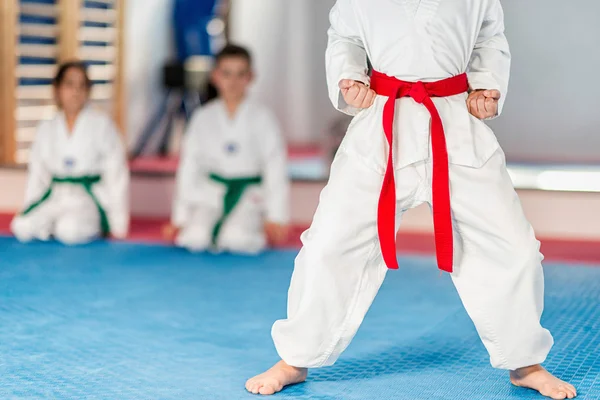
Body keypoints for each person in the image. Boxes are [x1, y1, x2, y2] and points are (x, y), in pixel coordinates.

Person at [245, 1, 577, 398]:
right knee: (328, 244)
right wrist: (350, 76)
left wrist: (486, 84)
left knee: (515, 248)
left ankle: (525, 362)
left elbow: (489, 37)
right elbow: (345, 35)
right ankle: (295, 358)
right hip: (381, 128)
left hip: (455, 124)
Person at [165, 45, 290, 254]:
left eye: (240, 74)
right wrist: (180, 217)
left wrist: (276, 216)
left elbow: (275, 166)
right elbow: (189, 167)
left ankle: (251, 227)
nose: (233, 82)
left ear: (250, 77)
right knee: (194, 237)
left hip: (248, 196)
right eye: (226, 74)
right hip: (210, 194)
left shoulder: (263, 118)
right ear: (215, 76)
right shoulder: (202, 117)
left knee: (237, 239)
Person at [11, 61, 129, 245]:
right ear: (57, 89)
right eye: (70, 84)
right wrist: (30, 205)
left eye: (82, 85)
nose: (76, 91)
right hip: (57, 194)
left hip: (86, 198)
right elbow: (37, 174)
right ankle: (51, 225)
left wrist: (117, 222)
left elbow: (116, 173)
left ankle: (63, 226)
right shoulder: (47, 127)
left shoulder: (102, 125)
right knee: (22, 226)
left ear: (88, 91)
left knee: (69, 231)